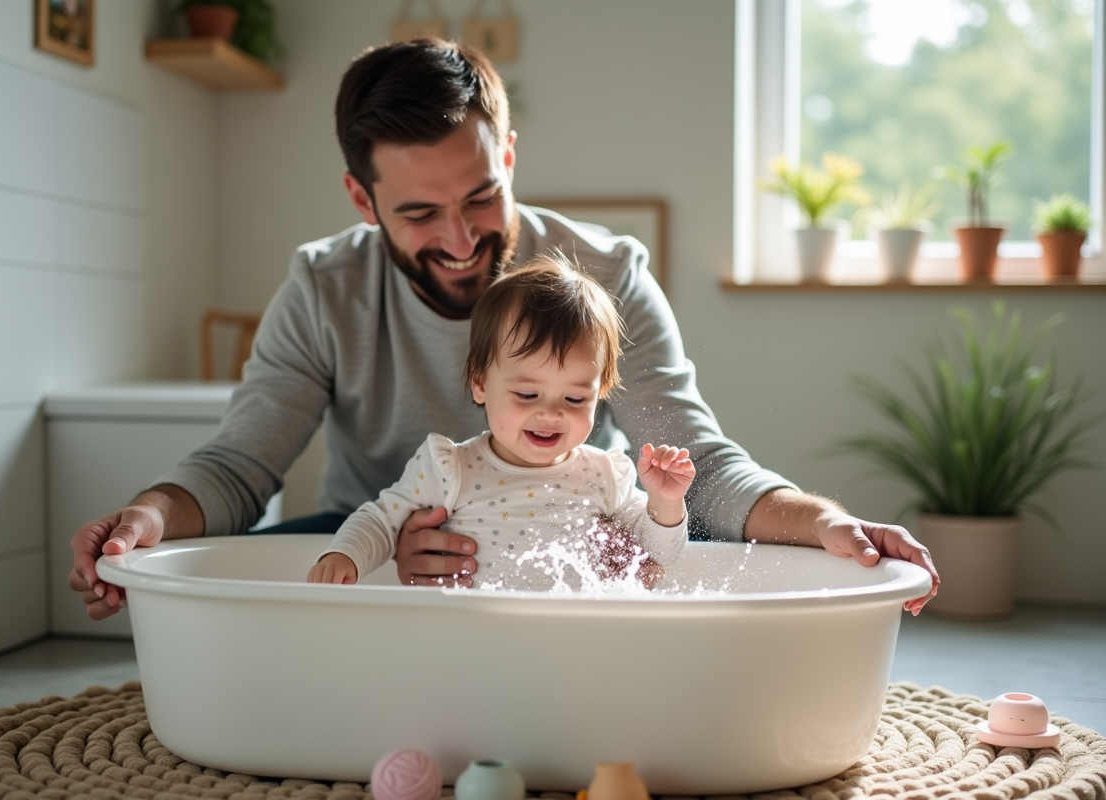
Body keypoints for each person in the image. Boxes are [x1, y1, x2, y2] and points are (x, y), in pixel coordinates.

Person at [69, 38, 938, 621]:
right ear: (361, 200)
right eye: (418, 213)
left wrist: (829, 525)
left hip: (568, 541)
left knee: (692, 543)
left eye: (481, 196)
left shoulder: (606, 272)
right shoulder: (324, 285)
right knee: (244, 565)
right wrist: (145, 520)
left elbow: (699, 467)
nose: (459, 240)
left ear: (510, 156)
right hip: (380, 531)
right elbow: (238, 466)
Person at [307, 255, 694, 589]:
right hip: (475, 642)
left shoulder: (604, 475)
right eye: (527, 394)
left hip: (572, 642)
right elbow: (381, 519)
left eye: (575, 398)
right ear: (480, 383)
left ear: (601, 391)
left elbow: (660, 553)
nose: (550, 414)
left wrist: (665, 501)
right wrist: (346, 555)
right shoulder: (450, 469)